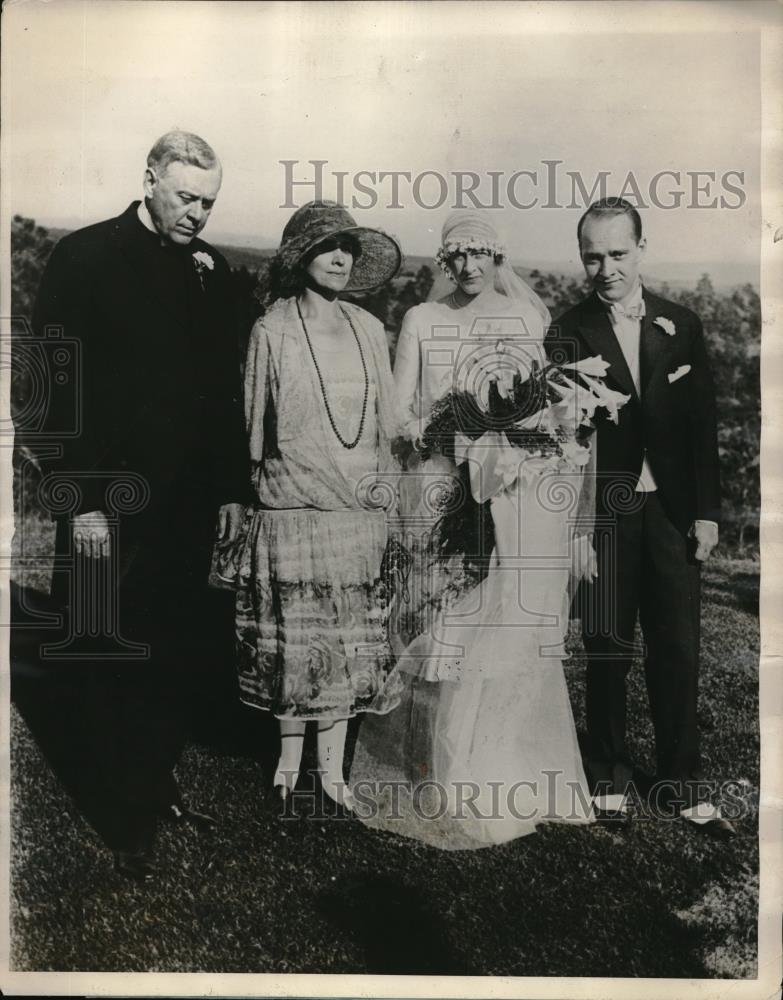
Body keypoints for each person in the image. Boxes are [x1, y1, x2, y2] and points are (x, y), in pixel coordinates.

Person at [22, 130, 250, 881]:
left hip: (184, 507)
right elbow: (53, 388)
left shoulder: (209, 274)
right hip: (102, 502)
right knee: (97, 650)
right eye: (186, 197)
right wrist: (79, 499)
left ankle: (151, 782)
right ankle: (118, 814)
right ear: (149, 178)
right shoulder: (84, 257)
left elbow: (219, 396)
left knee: (169, 650)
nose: (197, 215)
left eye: (209, 204)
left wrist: (228, 491)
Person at [349, 212, 596, 849]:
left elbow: (545, 408)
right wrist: (446, 438)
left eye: (479, 254)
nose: (467, 268)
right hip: (438, 484)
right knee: (435, 620)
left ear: (497, 258)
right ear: (443, 262)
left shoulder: (524, 320)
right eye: (456, 257)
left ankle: (489, 759)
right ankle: (431, 760)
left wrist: (514, 445)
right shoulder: (422, 322)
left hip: (508, 492)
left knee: (495, 623)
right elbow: (398, 407)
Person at [545, 197, 735, 839]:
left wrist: (707, 513)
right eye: (592, 256)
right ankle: (608, 778)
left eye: (618, 254)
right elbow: (563, 446)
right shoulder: (567, 330)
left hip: (673, 514)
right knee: (607, 646)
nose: (605, 269)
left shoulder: (682, 323)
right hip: (603, 513)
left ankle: (681, 784)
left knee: (678, 648)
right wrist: (575, 531)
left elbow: (703, 427)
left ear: (641, 249)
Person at [215, 200, 404, 812]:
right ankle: (287, 764)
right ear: (301, 258)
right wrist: (248, 498)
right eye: (329, 247)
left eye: (348, 247)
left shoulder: (371, 330)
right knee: (295, 642)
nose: (341, 258)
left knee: (348, 642)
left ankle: (332, 772)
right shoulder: (270, 330)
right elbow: (250, 426)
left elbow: (387, 428)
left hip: (356, 515)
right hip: (290, 509)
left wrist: (386, 502)